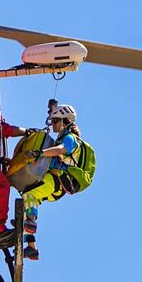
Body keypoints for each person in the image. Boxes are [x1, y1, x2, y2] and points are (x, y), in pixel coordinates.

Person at [16, 103, 84, 260]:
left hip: (57, 180)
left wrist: (39, 153)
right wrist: (53, 108)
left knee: (30, 194)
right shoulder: (63, 136)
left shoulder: (71, 138)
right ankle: (31, 247)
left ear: (65, 121)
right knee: (28, 202)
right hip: (54, 181)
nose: (52, 124)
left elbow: (61, 149)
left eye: (55, 121)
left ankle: (31, 222)